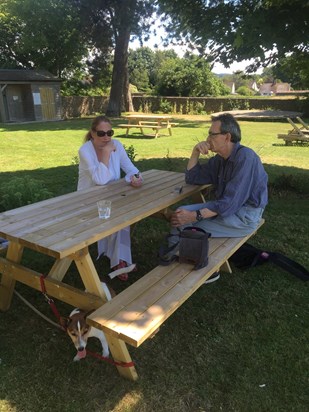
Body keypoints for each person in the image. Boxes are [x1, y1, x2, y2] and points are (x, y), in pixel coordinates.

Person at [169, 113, 268, 283]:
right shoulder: (220, 159)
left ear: (227, 137)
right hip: (227, 209)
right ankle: (174, 257)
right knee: (180, 214)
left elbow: (228, 205)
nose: (208, 138)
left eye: (212, 134)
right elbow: (192, 178)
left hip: (245, 217)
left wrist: (194, 216)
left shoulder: (245, 158)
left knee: (188, 225)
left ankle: (203, 269)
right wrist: (195, 152)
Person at [78, 115, 143, 280]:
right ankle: (118, 260)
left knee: (124, 214)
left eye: (109, 132)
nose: (106, 137)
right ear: (92, 133)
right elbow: (100, 180)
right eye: (101, 133)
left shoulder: (117, 145)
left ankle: (118, 258)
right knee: (117, 216)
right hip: (88, 199)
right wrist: (106, 154)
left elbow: (129, 167)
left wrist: (135, 177)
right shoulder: (85, 150)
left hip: (112, 194)